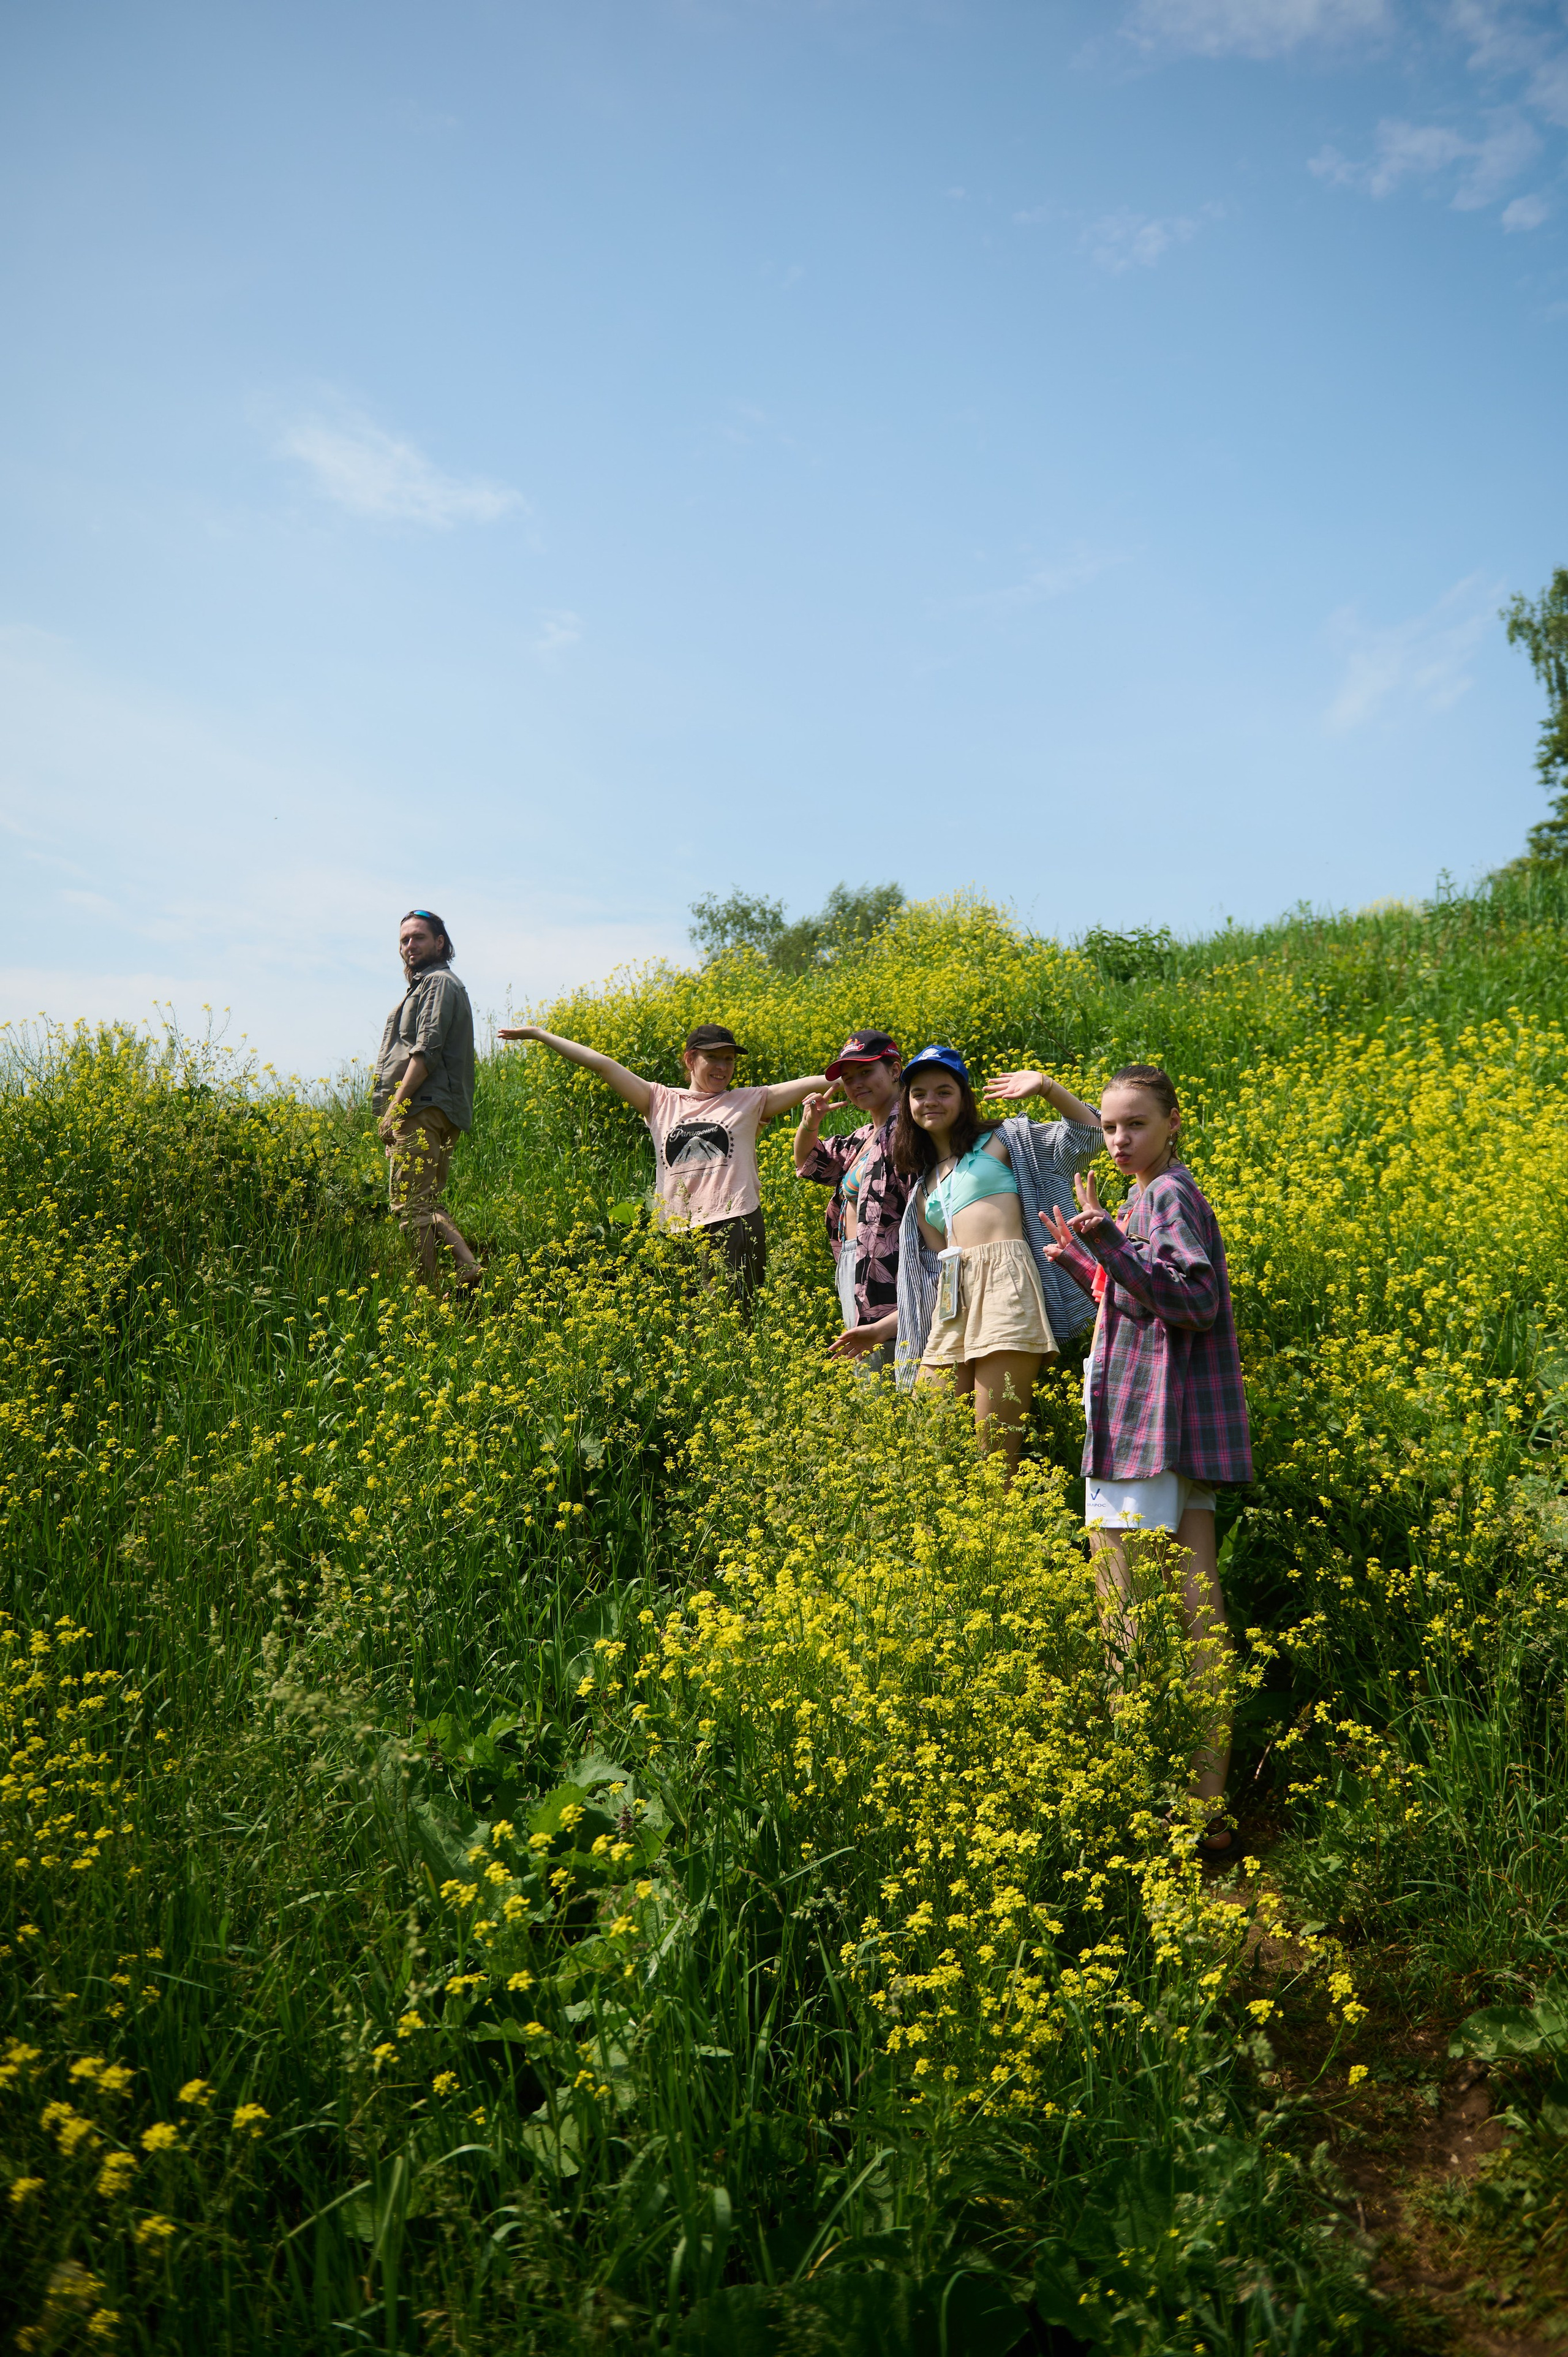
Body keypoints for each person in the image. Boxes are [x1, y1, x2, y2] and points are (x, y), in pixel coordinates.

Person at [1040, 1063, 1252, 1854]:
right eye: (1109, 1126)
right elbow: (1147, 1295)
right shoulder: (1149, 1197)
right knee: (1196, 1608)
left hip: (1143, 1429)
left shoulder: (1165, 1193)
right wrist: (1089, 1263)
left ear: (1172, 1123)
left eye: (1135, 1124)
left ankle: (1144, 1799)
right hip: (1167, 1431)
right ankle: (1204, 1806)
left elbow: (1195, 1300)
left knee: (1123, 1608)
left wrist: (1109, 1241)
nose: (1119, 1139)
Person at [495, 1017, 828, 1301]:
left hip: (735, 1222)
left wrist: (858, 1074)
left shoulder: (750, 1100)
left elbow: (820, 1082)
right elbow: (601, 1064)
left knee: (734, 1324)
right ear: (690, 1060)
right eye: (714, 1058)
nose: (723, 1067)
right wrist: (541, 1035)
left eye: (730, 1059)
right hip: (676, 1228)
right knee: (688, 1326)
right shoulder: (659, 1100)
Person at [888, 1046, 1100, 1479]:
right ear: (907, 1105)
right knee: (929, 1441)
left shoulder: (1005, 1140)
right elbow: (928, 1277)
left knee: (995, 1455)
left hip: (1007, 1285)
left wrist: (1047, 1087)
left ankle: (1006, 1533)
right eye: (919, 1093)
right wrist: (881, 1328)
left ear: (964, 1098)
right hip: (953, 1300)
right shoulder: (923, 1185)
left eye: (944, 1091)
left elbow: (1091, 1136)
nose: (930, 1100)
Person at [374, 909, 480, 1293]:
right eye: (404, 940)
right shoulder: (430, 986)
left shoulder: (437, 983)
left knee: (411, 1208)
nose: (409, 946)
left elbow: (426, 1050)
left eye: (418, 937)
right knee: (425, 1200)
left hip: (422, 1108)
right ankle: (467, 1265)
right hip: (435, 1108)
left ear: (440, 943)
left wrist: (395, 1110)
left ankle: (429, 1297)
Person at [793, 1030, 910, 1368]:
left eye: (865, 1072)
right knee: (868, 1362)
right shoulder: (863, 1138)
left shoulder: (908, 1131)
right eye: (848, 1078)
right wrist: (810, 1123)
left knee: (889, 1359)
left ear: (894, 1070)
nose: (855, 1083)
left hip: (892, 1265)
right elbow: (810, 1163)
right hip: (854, 1260)